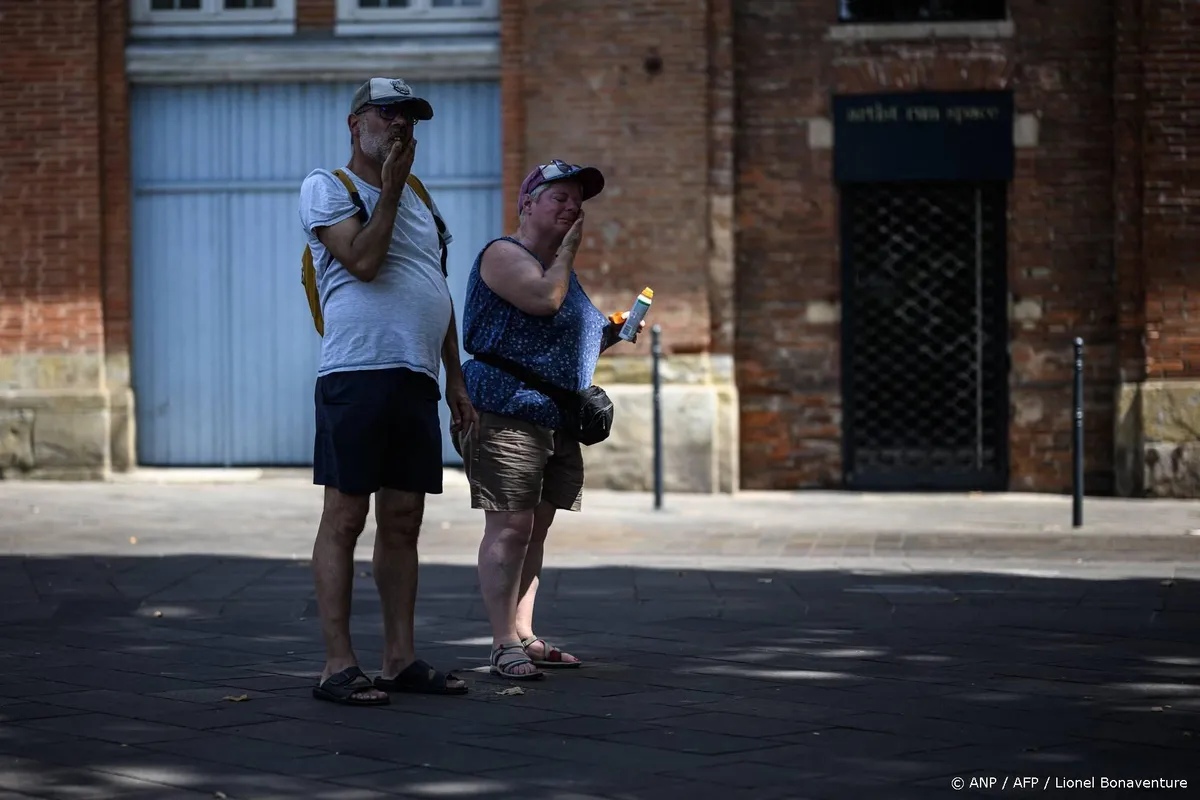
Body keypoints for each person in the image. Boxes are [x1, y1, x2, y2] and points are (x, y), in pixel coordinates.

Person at [298, 77, 477, 706]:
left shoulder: (423, 200)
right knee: (346, 516)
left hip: (415, 377)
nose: (401, 125)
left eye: (410, 118)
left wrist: (455, 378)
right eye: (388, 114)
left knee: (403, 520)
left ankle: (399, 659)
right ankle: (337, 664)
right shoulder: (328, 187)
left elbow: (435, 288)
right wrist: (393, 188)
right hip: (357, 373)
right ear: (356, 124)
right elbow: (364, 262)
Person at [458, 160, 644, 680]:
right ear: (527, 203)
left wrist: (610, 332)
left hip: (555, 416)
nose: (572, 207)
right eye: (558, 197)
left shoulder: (560, 270)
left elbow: (562, 338)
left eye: (576, 201)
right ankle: (502, 642)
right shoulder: (504, 254)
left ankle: (523, 633)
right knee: (511, 525)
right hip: (509, 409)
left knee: (536, 529)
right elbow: (543, 300)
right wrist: (567, 253)